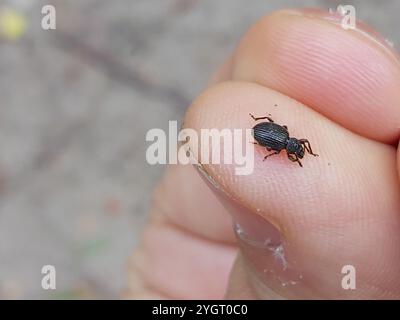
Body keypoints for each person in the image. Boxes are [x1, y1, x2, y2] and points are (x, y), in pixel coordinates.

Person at [127, 8, 400, 299]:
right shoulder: (281, 143)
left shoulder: (289, 143)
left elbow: (293, 144)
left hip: (267, 132)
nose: (298, 150)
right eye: (296, 150)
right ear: (290, 146)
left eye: (297, 150)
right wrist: (273, 148)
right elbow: (269, 136)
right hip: (264, 132)